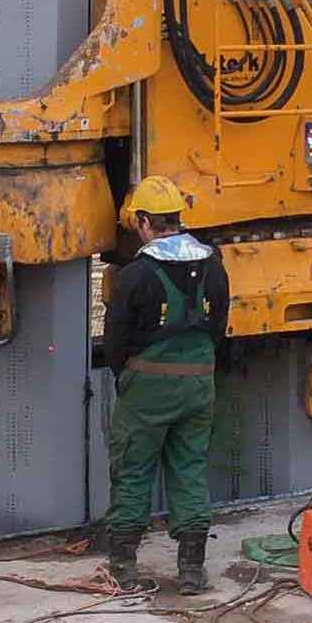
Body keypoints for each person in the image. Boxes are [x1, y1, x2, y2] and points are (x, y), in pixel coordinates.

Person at [103, 176, 230, 595]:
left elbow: (115, 339)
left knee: (134, 470)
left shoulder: (136, 274)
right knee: (190, 469)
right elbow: (218, 328)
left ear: (143, 221)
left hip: (148, 387)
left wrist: (125, 374)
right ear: (176, 217)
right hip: (199, 384)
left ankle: (123, 567)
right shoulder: (214, 265)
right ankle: (192, 572)